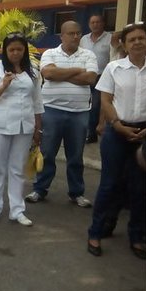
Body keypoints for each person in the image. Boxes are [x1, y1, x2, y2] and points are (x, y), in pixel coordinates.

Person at [87, 23, 146, 260]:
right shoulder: (114, 68)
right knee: (109, 185)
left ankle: (137, 236)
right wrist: (117, 125)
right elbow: (106, 101)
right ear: (124, 44)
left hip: (144, 134)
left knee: (140, 188)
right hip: (117, 132)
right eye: (132, 39)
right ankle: (95, 233)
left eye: (141, 38)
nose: (137, 43)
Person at [25, 21, 97, 208]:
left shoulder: (88, 54)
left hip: (79, 113)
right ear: (62, 36)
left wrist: (61, 74)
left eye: (78, 33)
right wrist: (77, 71)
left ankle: (77, 193)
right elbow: (48, 73)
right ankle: (40, 189)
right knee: (48, 153)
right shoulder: (50, 53)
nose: (75, 36)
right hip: (52, 110)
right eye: (71, 33)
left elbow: (90, 78)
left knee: (75, 155)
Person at [0, 33, 44, 226]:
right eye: (11, 49)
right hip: (0, 125)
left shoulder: (32, 70)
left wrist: (38, 127)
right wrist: (3, 86)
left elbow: (37, 100)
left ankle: (17, 210)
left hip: (25, 125)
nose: (15, 53)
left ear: (24, 50)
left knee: (17, 169)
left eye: (19, 49)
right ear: (5, 51)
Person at [80, 14, 113, 144]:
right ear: (89, 24)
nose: (95, 25)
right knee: (85, 105)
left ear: (103, 23)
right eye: (92, 22)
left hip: (102, 76)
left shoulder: (110, 38)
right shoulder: (84, 39)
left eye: (97, 22)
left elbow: (114, 56)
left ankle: (91, 133)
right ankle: (85, 131)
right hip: (86, 76)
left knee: (96, 106)